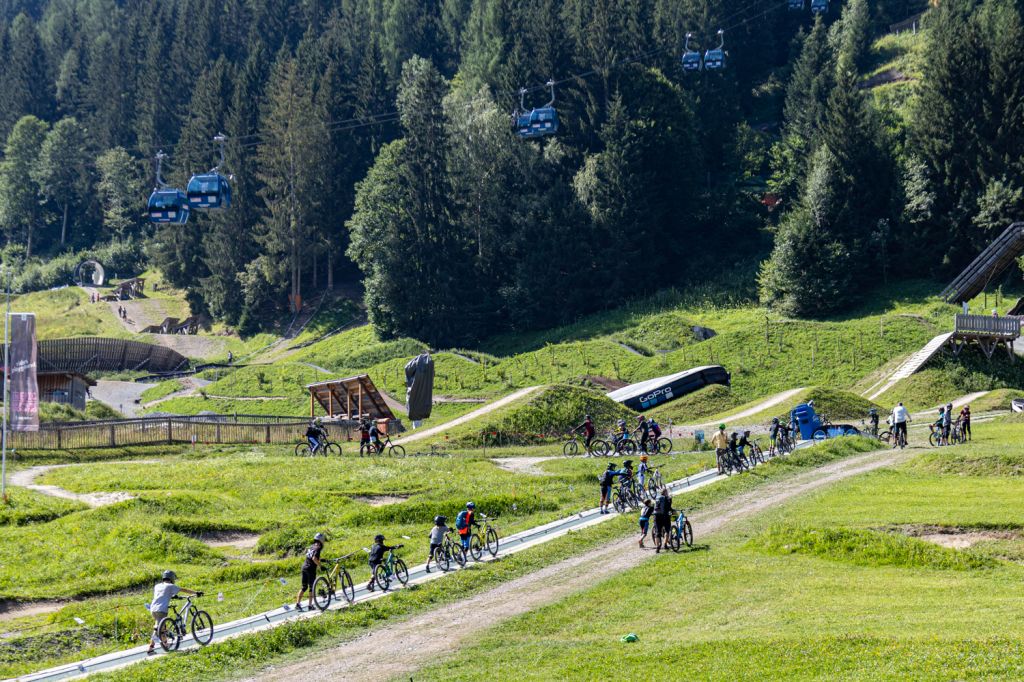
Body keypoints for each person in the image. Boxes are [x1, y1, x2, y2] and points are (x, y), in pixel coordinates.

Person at [147, 570, 201, 654]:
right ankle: (153, 647)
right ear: (172, 578)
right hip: (162, 609)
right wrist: (196, 592)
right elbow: (184, 590)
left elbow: (162, 594)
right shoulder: (171, 586)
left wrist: (173, 596)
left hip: (153, 609)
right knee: (159, 629)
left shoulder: (157, 586)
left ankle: (161, 645)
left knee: (160, 628)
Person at [295, 533, 326, 611]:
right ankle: (310, 605)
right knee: (311, 588)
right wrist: (320, 566)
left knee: (304, 587)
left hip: (304, 567)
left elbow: (311, 556)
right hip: (310, 570)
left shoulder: (312, 546)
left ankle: (298, 604)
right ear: (321, 540)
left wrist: (320, 560)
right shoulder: (318, 548)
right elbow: (314, 558)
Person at [653, 487, 674, 554]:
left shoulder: (657, 498)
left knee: (657, 532)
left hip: (656, 516)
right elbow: (669, 508)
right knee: (667, 530)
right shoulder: (667, 498)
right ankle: (665, 545)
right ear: (665, 492)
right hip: (665, 516)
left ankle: (657, 548)